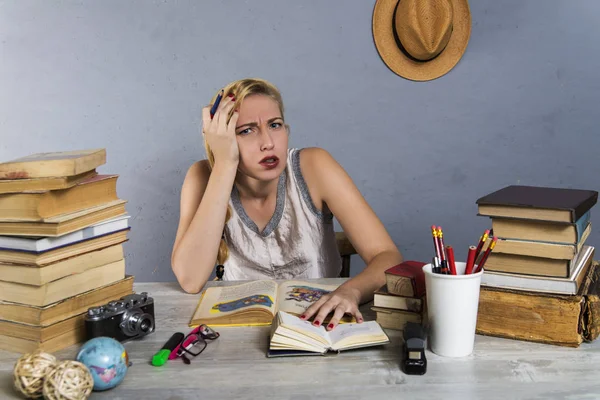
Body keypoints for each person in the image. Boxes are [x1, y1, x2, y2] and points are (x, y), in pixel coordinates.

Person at [171, 78, 403, 330]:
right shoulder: (203, 177)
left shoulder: (315, 165)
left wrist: (351, 292)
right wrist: (225, 164)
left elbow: (388, 258)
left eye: (275, 125)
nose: (268, 142)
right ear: (223, 138)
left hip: (319, 326)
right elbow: (190, 280)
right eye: (246, 130)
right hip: (238, 332)